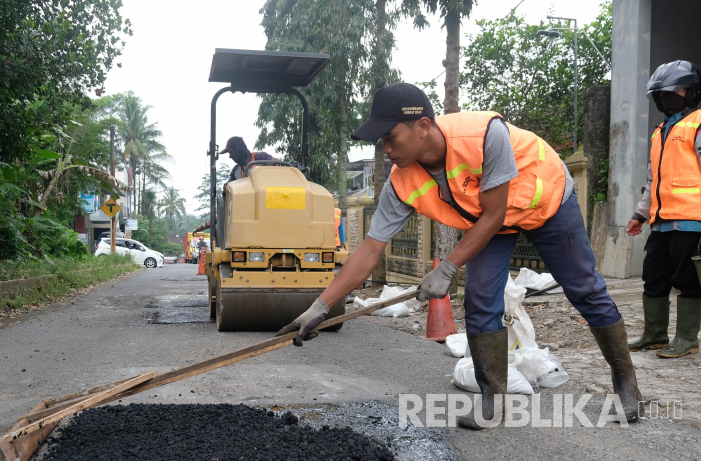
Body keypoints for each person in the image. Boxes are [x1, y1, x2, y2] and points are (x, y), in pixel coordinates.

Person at [276, 83, 644, 427]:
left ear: (422, 126)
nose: (385, 149)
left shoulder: (484, 135)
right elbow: (370, 249)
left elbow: (495, 212)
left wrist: (447, 267)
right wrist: (321, 306)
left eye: (390, 137)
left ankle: (626, 383)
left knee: (584, 288)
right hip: (493, 221)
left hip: (546, 200)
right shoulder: (400, 180)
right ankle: (493, 400)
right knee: (480, 297)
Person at [626, 60, 701, 358]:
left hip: (691, 219)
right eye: (661, 94)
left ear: (691, 90)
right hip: (660, 222)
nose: (666, 98)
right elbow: (652, 180)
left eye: (673, 92)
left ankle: (687, 340)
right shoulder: (660, 130)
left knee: (688, 280)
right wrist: (640, 214)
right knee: (653, 277)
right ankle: (655, 334)